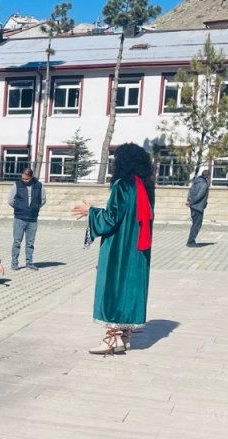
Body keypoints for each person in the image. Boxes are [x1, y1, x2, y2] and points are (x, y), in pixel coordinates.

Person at [72, 143, 155, 355]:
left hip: (119, 247)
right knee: (130, 287)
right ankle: (125, 336)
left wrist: (91, 212)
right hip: (138, 249)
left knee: (113, 286)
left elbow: (110, 219)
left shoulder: (122, 185)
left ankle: (111, 338)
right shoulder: (146, 186)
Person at [7, 167, 45, 271]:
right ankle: (14, 263)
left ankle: (29, 263)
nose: (24, 181)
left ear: (31, 177)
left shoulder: (39, 186)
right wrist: (19, 207)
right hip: (19, 218)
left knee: (30, 243)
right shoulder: (16, 185)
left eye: (26, 179)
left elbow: (43, 200)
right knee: (17, 242)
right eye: (23, 178)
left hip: (32, 219)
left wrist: (34, 208)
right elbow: (10, 200)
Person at [186, 171, 210, 247]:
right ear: (208, 176)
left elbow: (190, 192)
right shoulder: (204, 184)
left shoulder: (196, 182)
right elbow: (199, 195)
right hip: (197, 207)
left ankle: (191, 241)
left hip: (193, 206)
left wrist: (189, 200)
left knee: (194, 224)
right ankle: (191, 242)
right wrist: (191, 202)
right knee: (196, 225)